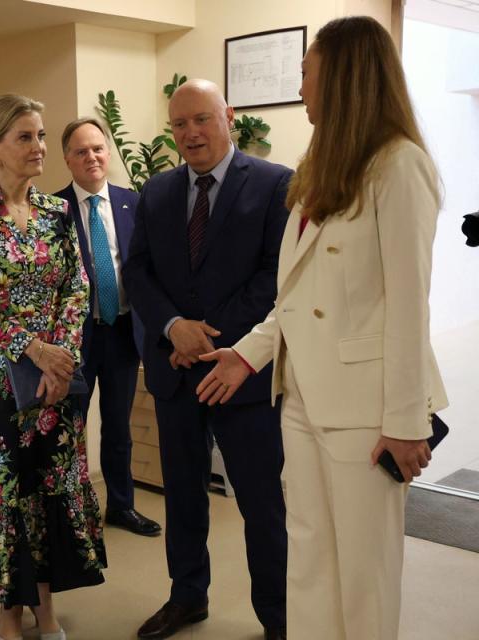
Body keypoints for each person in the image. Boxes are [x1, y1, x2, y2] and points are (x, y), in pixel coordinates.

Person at [197, 17, 448, 640]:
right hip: (303, 398)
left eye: (306, 74)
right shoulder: (319, 169)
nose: (301, 87)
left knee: (364, 574)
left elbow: (410, 305)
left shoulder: (399, 166)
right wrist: (247, 355)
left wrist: (406, 423)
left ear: (342, 77)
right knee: (308, 564)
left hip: (368, 410)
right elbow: (297, 296)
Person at [123, 79, 291, 640]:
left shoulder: (274, 185)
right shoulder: (157, 192)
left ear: (229, 116)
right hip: (176, 373)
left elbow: (276, 276)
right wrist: (174, 327)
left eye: (201, 119)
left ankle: (278, 616)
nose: (190, 133)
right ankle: (187, 597)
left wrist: (213, 336)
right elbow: (138, 271)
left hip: (241, 372)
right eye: (179, 124)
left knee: (261, 504)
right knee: (184, 497)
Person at [0, 94, 106, 640]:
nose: (38, 147)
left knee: (45, 489)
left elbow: (76, 288)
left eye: (40, 135)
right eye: (25, 138)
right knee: (3, 495)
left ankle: (48, 610)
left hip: (57, 379)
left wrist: (62, 357)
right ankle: (10, 615)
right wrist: (33, 349)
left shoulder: (57, 213)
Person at [54, 118, 160, 537]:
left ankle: (121, 506)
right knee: (70, 428)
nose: (91, 157)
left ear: (108, 152)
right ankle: (72, 513)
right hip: (75, 339)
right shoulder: (53, 211)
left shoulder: (133, 203)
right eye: (81, 151)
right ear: (67, 159)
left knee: (118, 426)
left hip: (121, 332)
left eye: (97, 148)